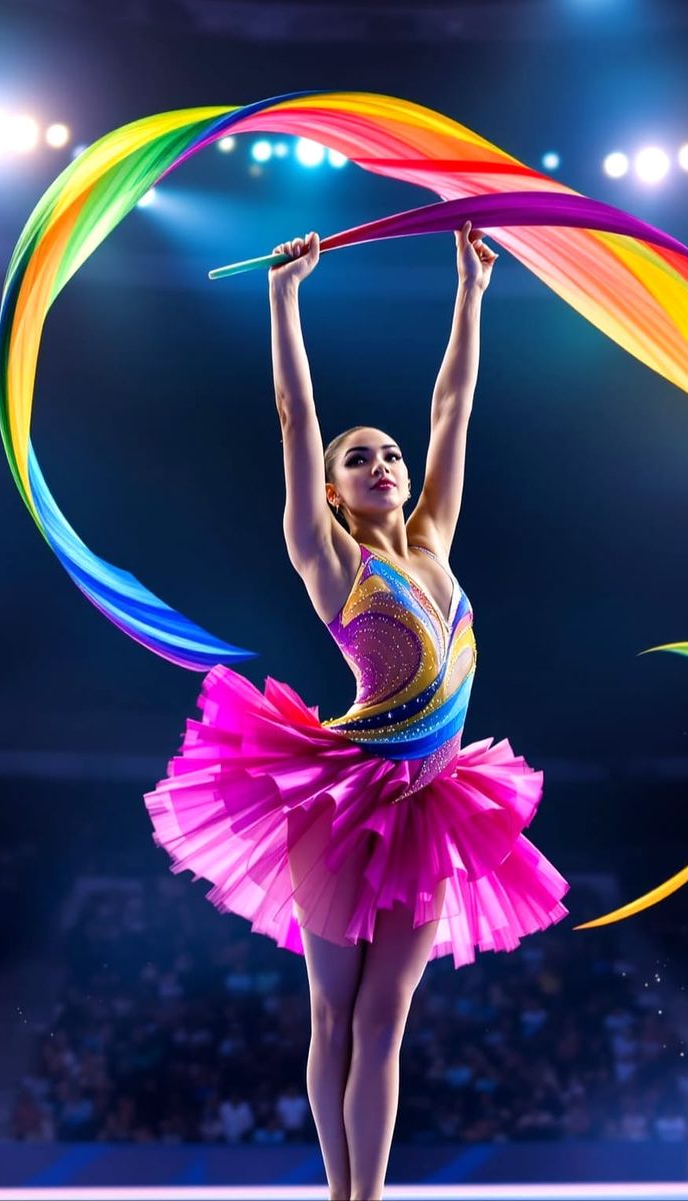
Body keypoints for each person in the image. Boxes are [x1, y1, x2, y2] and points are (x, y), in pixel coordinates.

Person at [144, 221, 570, 1200]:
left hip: (437, 799)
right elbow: (295, 415)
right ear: (333, 494)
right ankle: (340, 1194)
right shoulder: (333, 558)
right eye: (358, 460)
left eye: (387, 453)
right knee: (333, 1014)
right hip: (341, 794)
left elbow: (453, 405)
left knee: (388, 1017)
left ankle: (366, 1197)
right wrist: (284, 294)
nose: (380, 461)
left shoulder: (436, 540)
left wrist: (471, 290)